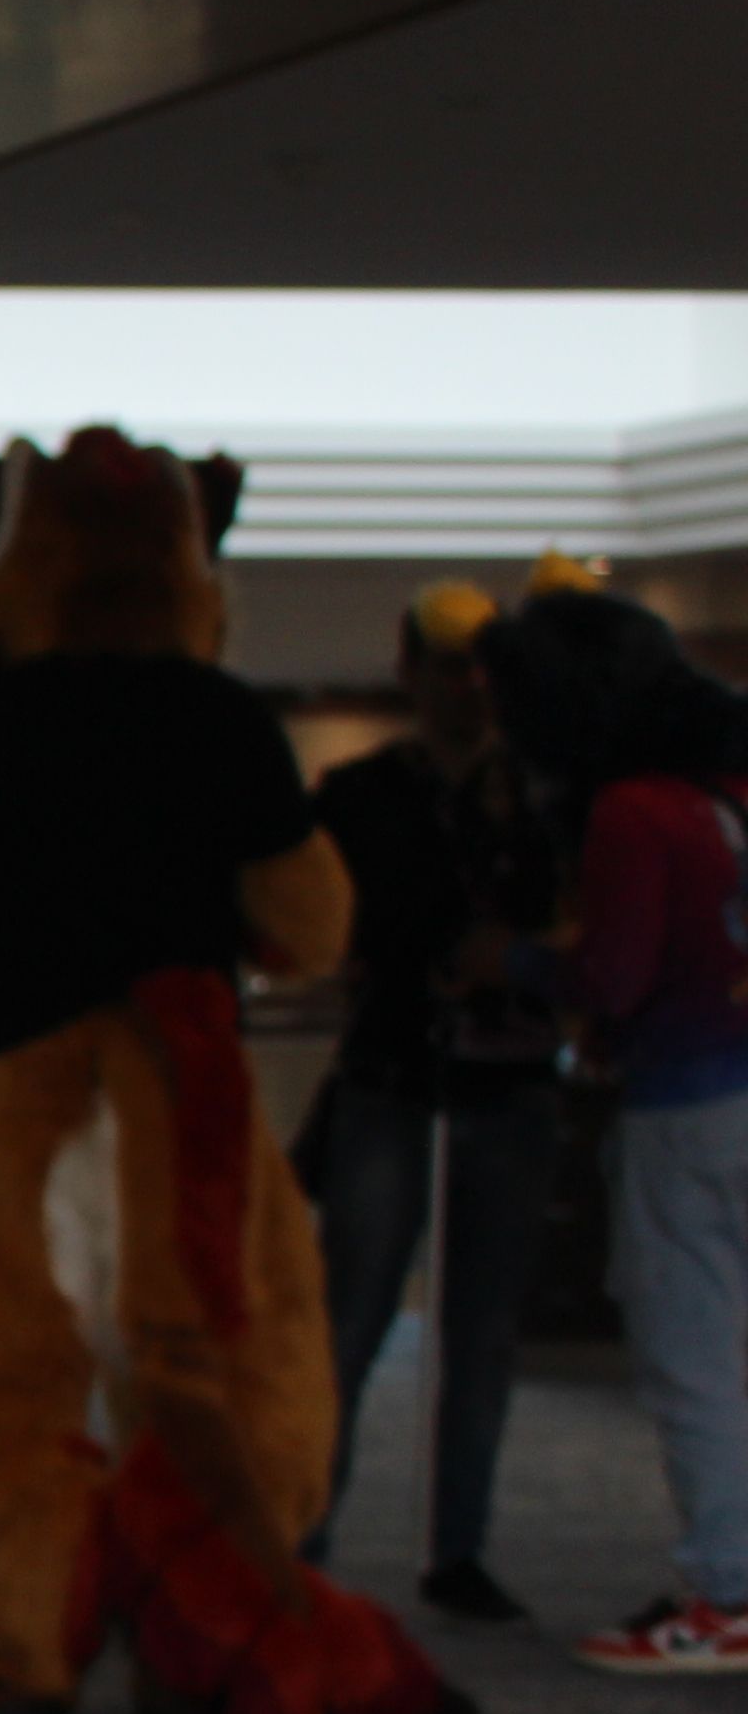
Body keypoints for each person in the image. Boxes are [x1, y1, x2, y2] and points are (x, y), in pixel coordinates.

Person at [0, 426, 464, 1714]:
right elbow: (308, 920)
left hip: (20, 1106)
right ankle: (220, 1641)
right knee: (233, 1372)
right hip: (192, 1105)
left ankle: (12, 1631)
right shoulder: (226, 720)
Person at [476, 576, 748, 1669]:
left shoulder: (633, 811)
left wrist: (517, 961)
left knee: (694, 1356)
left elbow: (617, 976)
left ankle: (729, 1592)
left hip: (688, 1107)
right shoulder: (733, 790)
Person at [299, 581, 563, 1620]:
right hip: (394, 1079)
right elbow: (328, 930)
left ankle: (458, 1549)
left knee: (483, 1332)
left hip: (507, 1087)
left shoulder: (540, 799)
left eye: (482, 669)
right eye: (450, 667)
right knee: (348, 1321)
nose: (468, 688)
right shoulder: (360, 796)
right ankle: (303, 1533)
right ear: (410, 671)